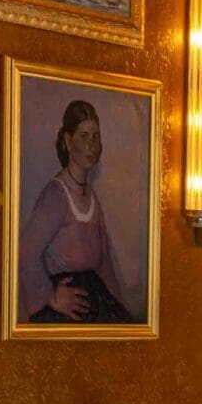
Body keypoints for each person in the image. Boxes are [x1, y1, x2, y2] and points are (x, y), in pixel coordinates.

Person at [18, 99, 135, 324]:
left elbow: (104, 264)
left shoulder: (93, 199)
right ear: (68, 142)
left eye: (95, 136)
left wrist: (121, 309)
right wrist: (51, 297)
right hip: (66, 311)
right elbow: (25, 252)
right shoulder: (55, 195)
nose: (91, 144)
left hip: (96, 300)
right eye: (83, 136)